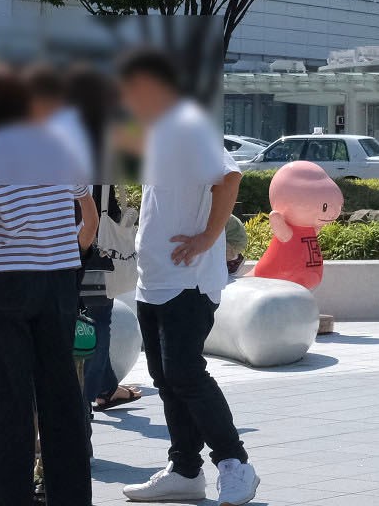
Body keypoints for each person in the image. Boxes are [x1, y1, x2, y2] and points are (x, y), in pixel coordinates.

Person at [117, 49, 258, 506]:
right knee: (166, 378)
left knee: (185, 374)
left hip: (188, 283)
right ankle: (184, 470)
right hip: (154, 281)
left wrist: (208, 237)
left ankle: (235, 464)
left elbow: (229, 178)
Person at [0, 64, 98, 506]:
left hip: (2, 282)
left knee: (5, 399)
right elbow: (82, 199)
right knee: (61, 393)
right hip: (58, 278)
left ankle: (10, 498)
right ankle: (71, 497)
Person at [67, 65, 142, 414]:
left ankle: (104, 388)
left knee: (80, 315)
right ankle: (88, 397)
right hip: (92, 245)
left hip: (58, 245)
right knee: (97, 318)